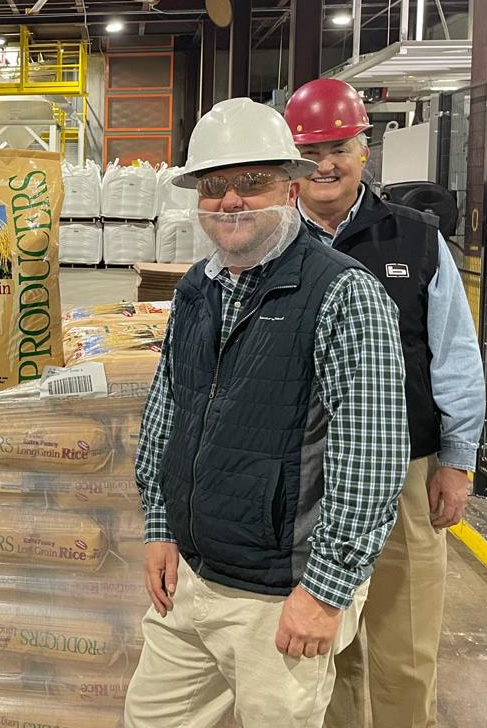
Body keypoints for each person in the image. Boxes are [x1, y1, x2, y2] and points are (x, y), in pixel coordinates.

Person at [123, 97, 410, 728]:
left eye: (253, 183)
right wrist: (160, 526)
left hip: (282, 593)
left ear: (291, 184)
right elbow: (168, 410)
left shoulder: (343, 293)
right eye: (215, 185)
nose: (231, 201)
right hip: (191, 580)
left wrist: (326, 590)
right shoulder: (198, 287)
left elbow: (372, 458)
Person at [285, 77, 486, 728]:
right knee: (327, 645)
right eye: (309, 149)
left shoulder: (414, 239)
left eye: (339, 146)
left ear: (363, 150)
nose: (325, 164)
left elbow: (455, 352)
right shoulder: (267, 243)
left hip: (403, 474)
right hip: (304, 475)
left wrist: (456, 460)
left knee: (403, 646)